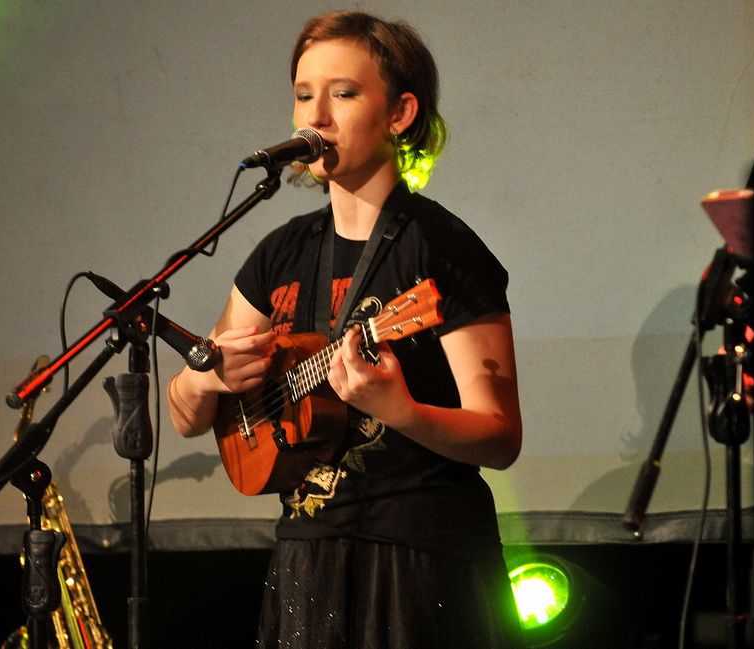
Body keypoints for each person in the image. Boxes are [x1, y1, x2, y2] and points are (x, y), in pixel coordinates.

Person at [168, 9, 525, 648]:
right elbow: (187, 415)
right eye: (304, 95)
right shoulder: (279, 254)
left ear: (400, 113)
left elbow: (500, 437)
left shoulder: (441, 249)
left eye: (344, 93)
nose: (317, 116)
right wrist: (203, 382)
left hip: (419, 557)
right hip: (306, 556)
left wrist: (404, 412)